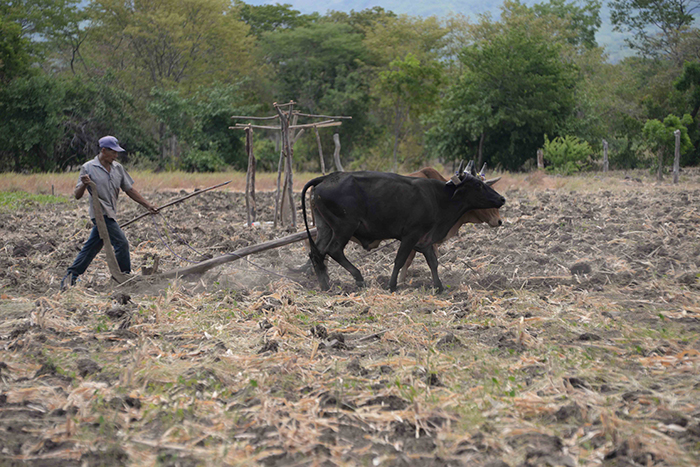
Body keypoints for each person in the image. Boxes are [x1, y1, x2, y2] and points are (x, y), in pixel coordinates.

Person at [61, 136, 158, 289]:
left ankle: (70, 277)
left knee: (92, 246)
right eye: (113, 152)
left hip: (111, 213)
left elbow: (129, 189)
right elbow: (77, 195)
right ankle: (125, 278)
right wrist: (84, 184)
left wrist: (147, 205)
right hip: (100, 215)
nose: (116, 155)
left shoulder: (117, 168)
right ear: (104, 151)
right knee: (121, 243)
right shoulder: (88, 167)